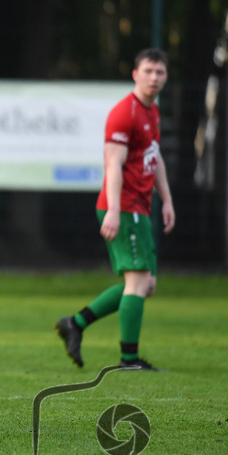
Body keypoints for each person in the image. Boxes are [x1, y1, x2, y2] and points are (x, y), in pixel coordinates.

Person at [55, 48, 175, 371]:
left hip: (139, 208)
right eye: (148, 71)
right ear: (135, 74)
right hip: (123, 208)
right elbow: (113, 163)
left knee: (144, 285)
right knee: (138, 283)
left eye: (159, 72)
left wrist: (166, 198)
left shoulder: (152, 111)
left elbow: (154, 155)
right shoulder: (125, 113)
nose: (154, 77)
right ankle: (129, 359)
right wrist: (113, 209)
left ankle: (76, 323)